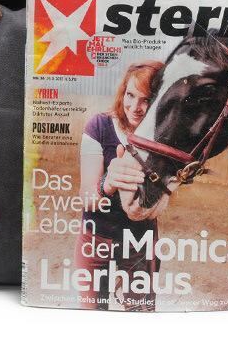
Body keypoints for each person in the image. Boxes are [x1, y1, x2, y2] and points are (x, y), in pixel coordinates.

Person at [74, 60, 165, 311]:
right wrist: (108, 183)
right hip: (96, 236)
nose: (135, 107)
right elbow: (86, 198)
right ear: (123, 92)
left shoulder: (163, 137)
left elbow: (158, 206)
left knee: (140, 313)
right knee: (90, 313)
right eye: (130, 95)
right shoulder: (99, 126)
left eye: (146, 100)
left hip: (139, 240)